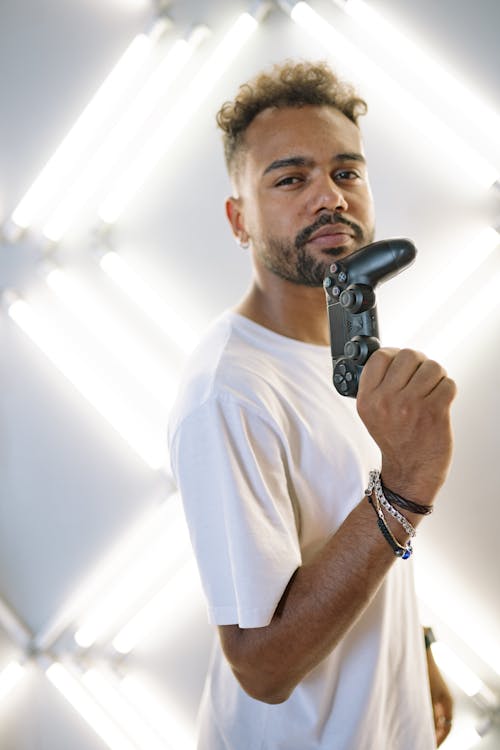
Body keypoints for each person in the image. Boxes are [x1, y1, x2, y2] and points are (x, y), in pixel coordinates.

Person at [168, 60, 456, 749]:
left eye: (346, 173)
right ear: (239, 219)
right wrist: (407, 484)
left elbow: (344, 533)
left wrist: (416, 650)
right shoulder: (230, 392)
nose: (329, 197)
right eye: (291, 178)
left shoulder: (350, 355)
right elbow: (261, 667)